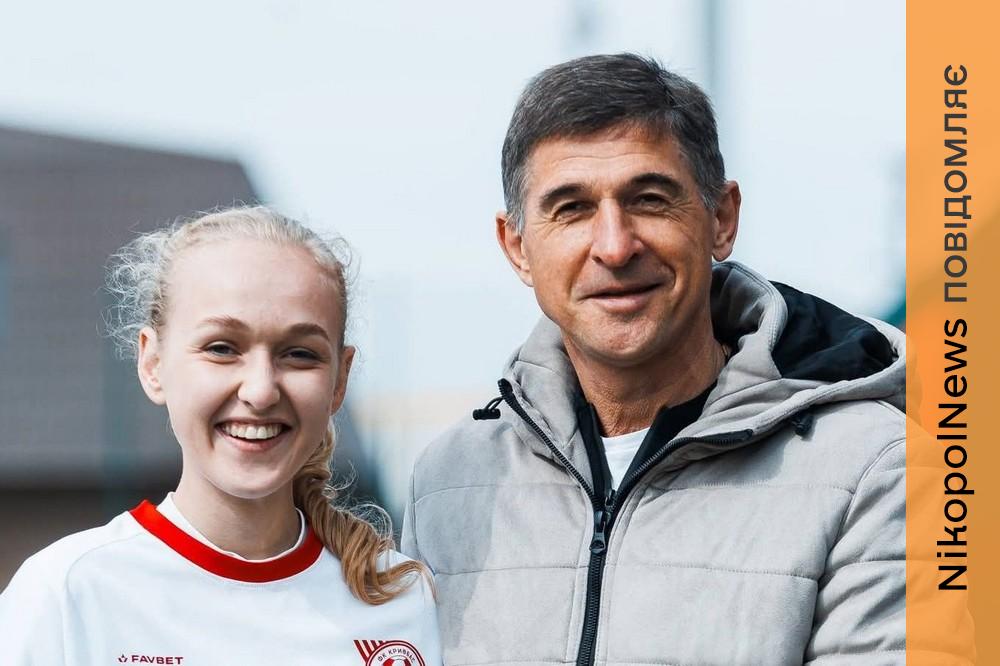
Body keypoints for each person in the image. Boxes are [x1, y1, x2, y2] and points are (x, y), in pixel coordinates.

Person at [402, 54, 904, 665]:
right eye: (571, 208)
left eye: (649, 199)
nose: (614, 247)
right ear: (518, 247)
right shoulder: (447, 482)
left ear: (721, 219)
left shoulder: (872, 467)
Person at [0, 206, 441, 666]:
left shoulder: (404, 603)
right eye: (222, 348)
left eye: (299, 354)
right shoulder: (66, 596)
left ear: (340, 380)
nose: (261, 390)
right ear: (152, 364)